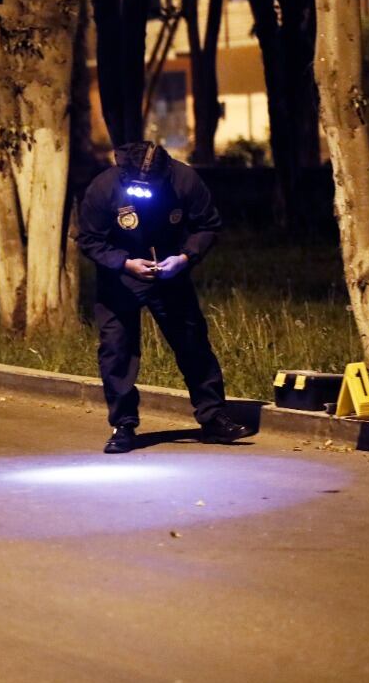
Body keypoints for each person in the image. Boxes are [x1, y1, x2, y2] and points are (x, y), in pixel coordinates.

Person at [78, 141, 253, 454]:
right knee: (117, 351)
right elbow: (89, 239)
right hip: (120, 280)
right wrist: (124, 262)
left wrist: (184, 258)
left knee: (192, 343)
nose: (144, 192)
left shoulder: (184, 180)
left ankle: (213, 417)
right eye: (137, 187)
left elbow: (208, 225)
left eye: (152, 187)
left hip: (170, 274)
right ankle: (123, 425)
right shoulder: (104, 187)